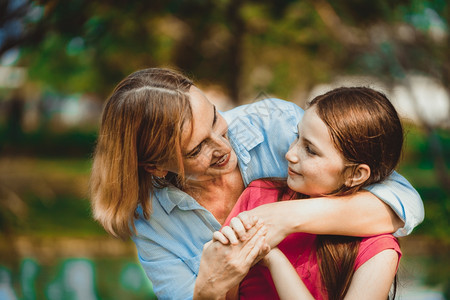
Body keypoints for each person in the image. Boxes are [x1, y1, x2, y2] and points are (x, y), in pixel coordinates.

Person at [89, 68, 424, 299]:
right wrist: (207, 288)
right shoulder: (151, 220)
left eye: (215, 118)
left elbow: (402, 202)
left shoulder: (273, 126)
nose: (223, 146)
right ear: (156, 167)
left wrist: (285, 217)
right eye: (196, 149)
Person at [219, 87, 404, 299]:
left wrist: (274, 259)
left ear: (355, 174)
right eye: (297, 137)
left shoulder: (378, 248)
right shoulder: (259, 196)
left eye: (311, 150)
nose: (290, 154)